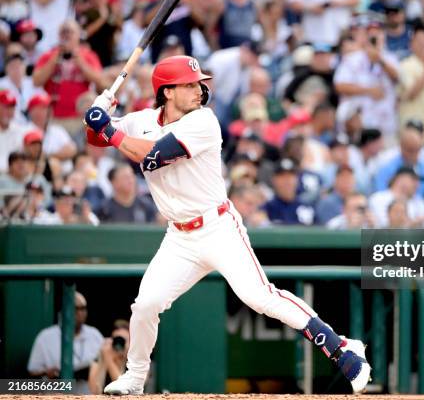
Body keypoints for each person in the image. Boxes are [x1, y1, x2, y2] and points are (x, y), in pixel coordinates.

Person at [83, 55, 371, 395]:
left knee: (260, 297)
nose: (199, 89)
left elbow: (152, 155)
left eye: (198, 83)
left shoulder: (203, 122)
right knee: (145, 305)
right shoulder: (142, 120)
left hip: (218, 227)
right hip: (179, 237)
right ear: (167, 92)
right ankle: (134, 375)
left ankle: (341, 348)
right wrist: (97, 112)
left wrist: (109, 128)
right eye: (189, 85)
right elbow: (95, 138)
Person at [27, 292, 104, 394]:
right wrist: (47, 373)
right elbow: (32, 371)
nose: (80, 313)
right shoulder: (45, 337)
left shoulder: (95, 334)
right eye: (76, 309)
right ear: (64, 310)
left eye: (83, 308)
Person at [88, 320, 131, 395]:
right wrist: (103, 359)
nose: (119, 344)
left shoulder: (138, 364)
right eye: (117, 339)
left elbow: (122, 389)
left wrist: (109, 360)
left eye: (123, 340)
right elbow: (95, 391)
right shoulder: (100, 360)